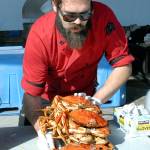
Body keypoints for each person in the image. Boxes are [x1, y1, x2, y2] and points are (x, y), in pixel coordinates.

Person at [21, 0, 134, 133]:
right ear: (55, 6)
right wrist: (42, 131)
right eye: (70, 16)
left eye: (84, 15)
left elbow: (123, 66)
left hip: (85, 99)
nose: (78, 22)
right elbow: (31, 94)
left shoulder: (103, 17)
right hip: (47, 102)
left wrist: (96, 100)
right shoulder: (41, 34)